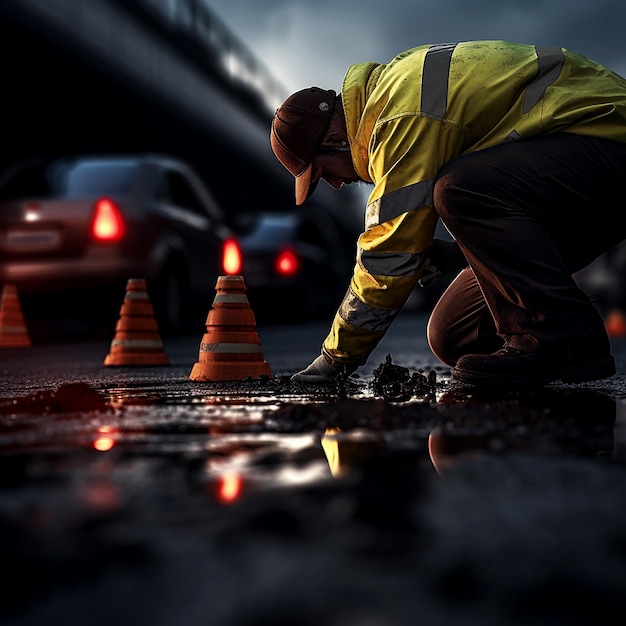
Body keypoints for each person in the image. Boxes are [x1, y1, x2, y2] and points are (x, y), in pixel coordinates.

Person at [269, 40, 626, 386]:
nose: (334, 183)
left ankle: (564, 335)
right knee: (454, 334)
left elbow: (388, 256)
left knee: (456, 189)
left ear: (334, 141)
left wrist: (334, 360)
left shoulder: (397, 117)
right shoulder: (392, 98)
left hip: (608, 139)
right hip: (573, 176)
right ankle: (541, 342)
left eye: (322, 172)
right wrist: (459, 253)